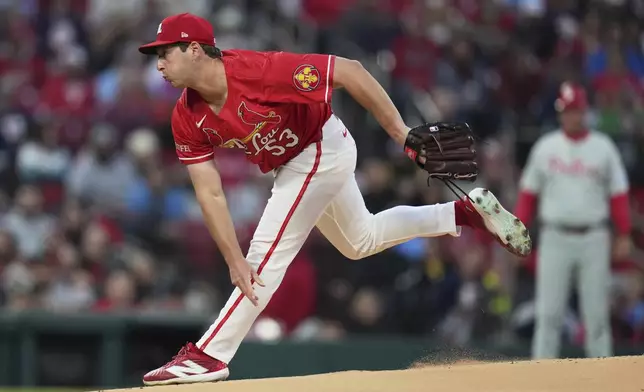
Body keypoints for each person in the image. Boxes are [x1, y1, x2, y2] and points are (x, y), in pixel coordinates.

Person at [138, 13, 531, 385]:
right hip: (293, 162)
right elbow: (208, 189)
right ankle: (463, 213)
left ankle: (209, 355)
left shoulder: (256, 70)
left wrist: (400, 134)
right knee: (361, 241)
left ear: (194, 49)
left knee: (264, 256)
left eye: (165, 52)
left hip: (319, 146)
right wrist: (230, 257)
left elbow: (349, 71)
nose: (159, 63)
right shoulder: (185, 116)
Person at [514, 81, 632, 359]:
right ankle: (543, 379)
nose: (570, 116)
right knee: (548, 315)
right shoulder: (546, 147)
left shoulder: (603, 148)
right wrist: (517, 234)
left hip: (594, 238)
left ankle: (603, 379)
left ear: (584, 111)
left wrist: (624, 234)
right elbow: (528, 195)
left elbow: (618, 194)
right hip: (554, 237)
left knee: (596, 316)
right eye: (566, 111)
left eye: (575, 110)